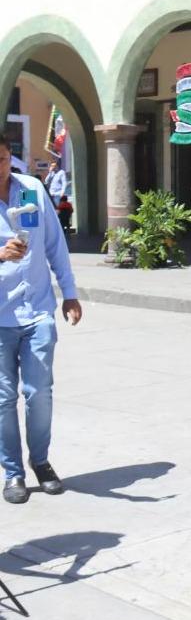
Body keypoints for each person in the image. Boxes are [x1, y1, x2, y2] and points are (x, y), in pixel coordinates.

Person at [0, 134, 82, 504]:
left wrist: (70, 293)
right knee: (2, 400)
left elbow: (54, 244)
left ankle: (42, 461)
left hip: (37, 310)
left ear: (9, 158)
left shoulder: (31, 189)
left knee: (40, 395)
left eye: (1, 159)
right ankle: (13, 473)